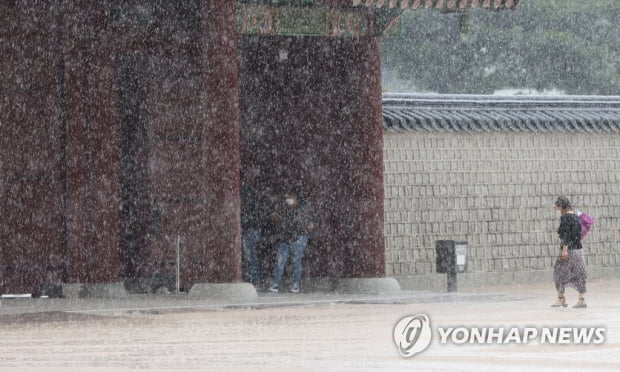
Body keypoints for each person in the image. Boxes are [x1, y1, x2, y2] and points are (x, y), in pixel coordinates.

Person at [268, 191, 314, 293]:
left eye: (290, 197)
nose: (288, 199)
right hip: (285, 238)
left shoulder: (301, 210)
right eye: (287, 197)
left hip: (298, 238)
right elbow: (282, 224)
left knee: (296, 262)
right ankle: (275, 284)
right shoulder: (284, 209)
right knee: (280, 261)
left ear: (296, 199)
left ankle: (295, 285)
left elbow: (296, 224)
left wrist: (281, 220)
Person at [551, 196, 588, 309]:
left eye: (557, 206)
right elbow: (578, 233)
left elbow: (566, 235)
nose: (556, 208)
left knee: (559, 273)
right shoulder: (576, 216)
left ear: (561, 206)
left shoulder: (565, 218)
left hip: (570, 250)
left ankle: (561, 298)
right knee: (580, 274)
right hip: (579, 250)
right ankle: (581, 300)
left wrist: (565, 250)